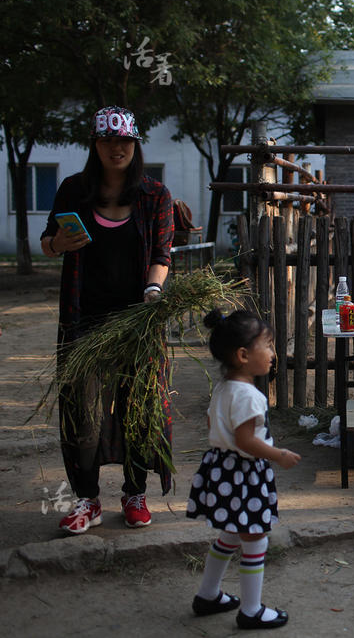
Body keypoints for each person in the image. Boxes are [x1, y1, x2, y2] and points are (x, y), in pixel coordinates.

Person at [40, 106, 174, 534]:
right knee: (83, 412)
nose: (116, 148)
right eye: (107, 141)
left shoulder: (155, 196)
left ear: (135, 146)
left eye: (125, 141)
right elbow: (47, 243)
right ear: (95, 145)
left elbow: (161, 256)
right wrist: (58, 242)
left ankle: (135, 493)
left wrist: (153, 292)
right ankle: (87, 500)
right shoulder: (73, 191)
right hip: (83, 323)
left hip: (137, 323)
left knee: (138, 407)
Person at [187, 309, 301, 630]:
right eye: (268, 346)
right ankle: (251, 610)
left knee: (230, 534)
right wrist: (278, 454)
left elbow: (215, 426)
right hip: (244, 473)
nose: (273, 354)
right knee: (255, 539)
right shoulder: (249, 396)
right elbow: (246, 440)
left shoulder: (222, 388)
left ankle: (208, 595)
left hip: (221, 470)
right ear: (243, 355)